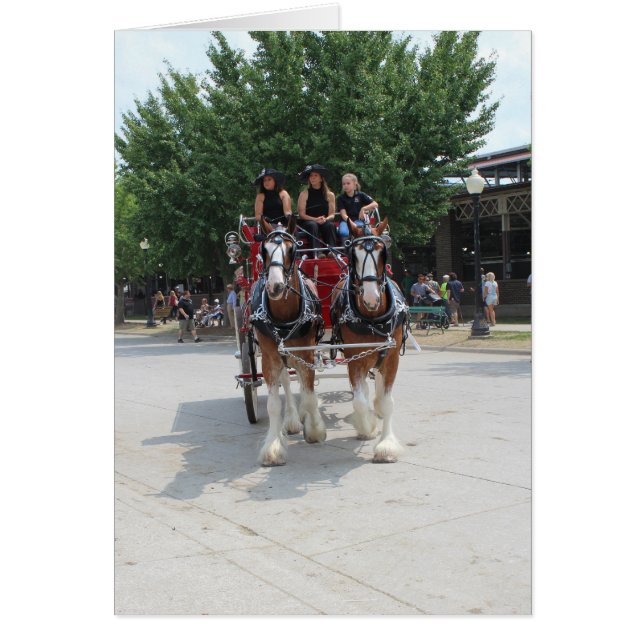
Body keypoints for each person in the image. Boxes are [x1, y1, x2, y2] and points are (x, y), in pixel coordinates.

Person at [297, 163, 337, 256]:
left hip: (324, 221)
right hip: (308, 221)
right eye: (311, 176)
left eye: (315, 175)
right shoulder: (304, 193)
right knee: (313, 225)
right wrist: (315, 219)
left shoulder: (330, 195)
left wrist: (325, 219)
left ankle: (332, 251)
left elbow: (332, 214)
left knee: (330, 225)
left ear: (321, 178)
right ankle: (317, 252)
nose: (312, 178)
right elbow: (301, 214)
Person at [336, 173, 379, 244]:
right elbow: (343, 215)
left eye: (348, 183)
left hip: (358, 220)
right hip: (346, 221)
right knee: (343, 232)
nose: (345, 186)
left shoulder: (361, 195)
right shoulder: (340, 198)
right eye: (343, 184)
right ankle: (346, 250)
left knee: (363, 231)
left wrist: (364, 208)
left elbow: (375, 204)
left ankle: (361, 247)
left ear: (354, 184)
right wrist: (352, 224)